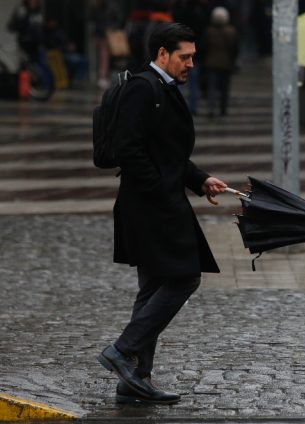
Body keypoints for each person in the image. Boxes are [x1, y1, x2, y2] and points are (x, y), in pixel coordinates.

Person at [96, 23, 228, 404]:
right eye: (184, 57)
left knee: (153, 287)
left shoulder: (161, 88)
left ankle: (134, 380)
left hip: (155, 201)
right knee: (185, 277)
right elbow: (128, 148)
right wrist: (161, 191)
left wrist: (200, 179)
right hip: (151, 206)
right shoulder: (144, 88)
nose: (191, 64)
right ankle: (123, 350)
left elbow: (166, 151)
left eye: (193, 57)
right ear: (162, 55)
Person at [202, 6, 238, 118]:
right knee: (225, 88)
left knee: (212, 87)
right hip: (226, 63)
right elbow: (235, 48)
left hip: (211, 63)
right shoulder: (231, 31)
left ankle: (211, 108)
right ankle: (223, 109)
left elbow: (204, 47)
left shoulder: (209, 31)